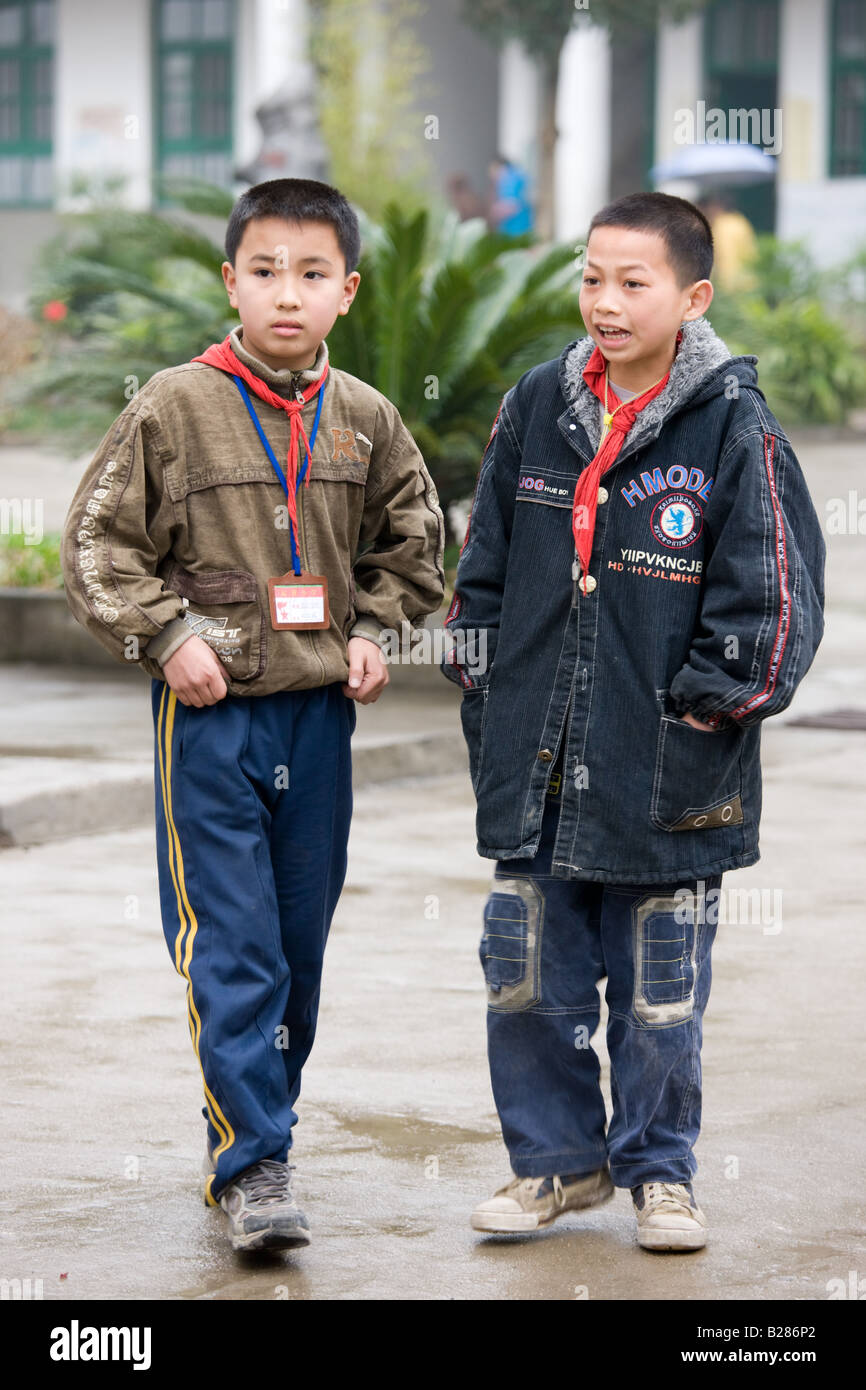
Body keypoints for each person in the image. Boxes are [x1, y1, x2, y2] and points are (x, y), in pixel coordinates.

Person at [61, 178, 445, 1253]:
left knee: (295, 948)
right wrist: (168, 635)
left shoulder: (365, 418)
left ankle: (251, 1119)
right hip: (212, 718)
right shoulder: (172, 405)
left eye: (311, 274)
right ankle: (254, 1162)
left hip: (317, 722)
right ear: (230, 280)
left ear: (346, 292)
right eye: (265, 270)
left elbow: (414, 540)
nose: (287, 294)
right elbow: (96, 544)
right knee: (233, 943)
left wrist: (373, 630)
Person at [442, 191, 824, 1252]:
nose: (603, 303)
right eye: (589, 278)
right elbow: (480, 576)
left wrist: (702, 715)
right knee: (525, 978)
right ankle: (555, 1167)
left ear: (692, 296)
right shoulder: (536, 403)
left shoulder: (732, 426)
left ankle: (661, 1175)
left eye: (631, 282)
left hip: (666, 782)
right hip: (535, 768)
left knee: (659, 996)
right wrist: (487, 696)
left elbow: (773, 597)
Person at [488, 154, 533, 237]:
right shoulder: (514, 176)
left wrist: (494, 211)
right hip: (518, 229)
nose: (490, 173)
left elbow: (513, 205)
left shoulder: (509, 179)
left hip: (517, 230)